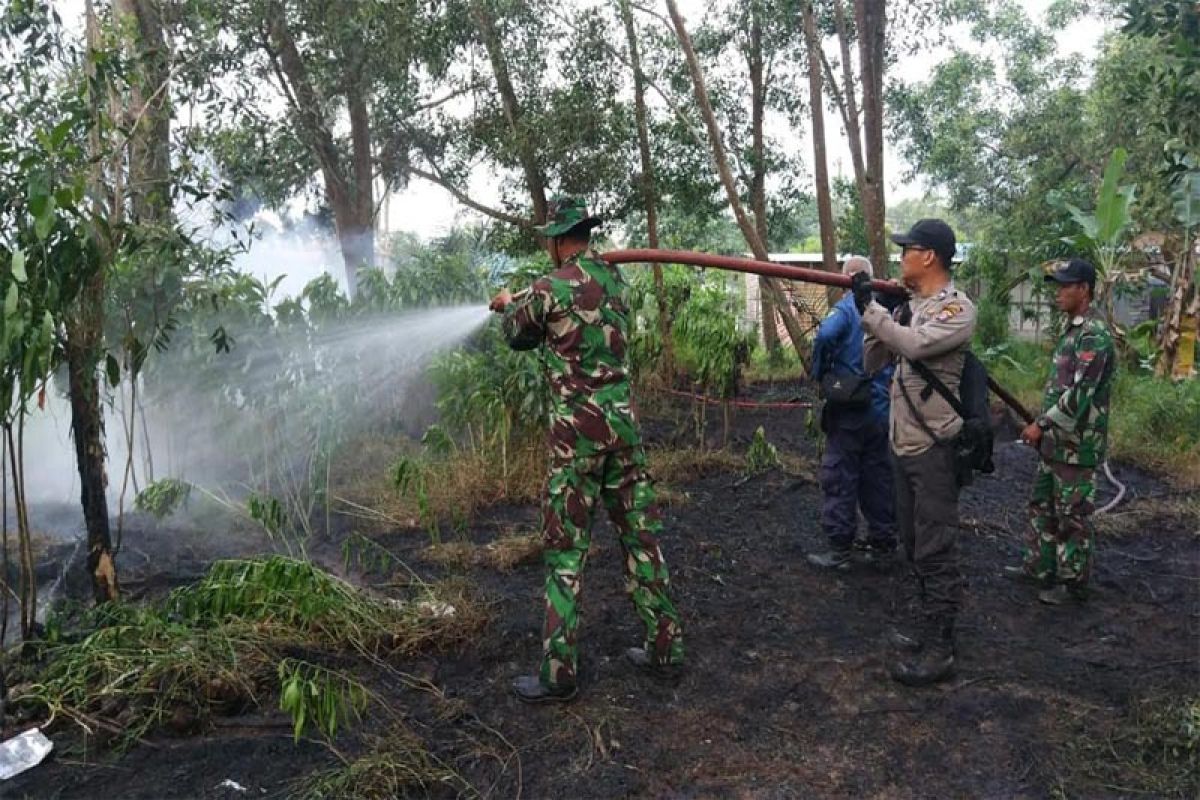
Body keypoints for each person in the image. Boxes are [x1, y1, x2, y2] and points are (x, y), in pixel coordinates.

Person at [489, 196, 684, 703]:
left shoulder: (547, 287)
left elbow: (517, 336)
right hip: (625, 435)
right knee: (641, 541)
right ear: (586, 234)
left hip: (576, 443)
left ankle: (559, 674)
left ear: (556, 239)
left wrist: (509, 303)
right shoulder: (616, 281)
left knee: (565, 553)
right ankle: (666, 650)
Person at [857, 219, 976, 687]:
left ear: (929, 256)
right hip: (902, 446)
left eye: (907, 249)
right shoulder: (909, 308)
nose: (901, 256)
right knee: (912, 543)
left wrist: (876, 314)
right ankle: (927, 626)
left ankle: (941, 646)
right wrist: (876, 317)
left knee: (936, 549)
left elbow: (915, 345)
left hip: (933, 449)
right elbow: (873, 362)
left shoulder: (955, 310)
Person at [1008, 258, 1115, 605]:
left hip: (1077, 444)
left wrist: (1040, 424)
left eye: (1065, 286)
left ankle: (1073, 585)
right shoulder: (1073, 330)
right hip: (1056, 443)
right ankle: (1040, 568)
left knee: (1072, 515)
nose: (1058, 292)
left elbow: (1080, 393)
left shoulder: (1094, 335)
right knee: (1042, 505)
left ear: (1083, 290)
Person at [807, 256, 897, 570]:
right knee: (877, 475)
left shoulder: (846, 309)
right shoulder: (882, 312)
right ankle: (883, 543)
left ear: (847, 278)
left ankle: (840, 548)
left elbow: (825, 337)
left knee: (840, 475)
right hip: (880, 408)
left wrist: (819, 373)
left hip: (851, 407)